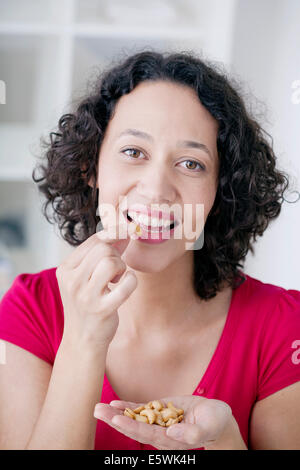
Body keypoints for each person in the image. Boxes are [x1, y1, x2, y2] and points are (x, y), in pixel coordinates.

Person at [0, 50, 299, 450]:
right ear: (92, 167)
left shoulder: (282, 327)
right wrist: (83, 339)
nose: (156, 189)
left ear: (219, 191)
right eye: (133, 152)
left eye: (192, 163)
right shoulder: (28, 311)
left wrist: (226, 442)